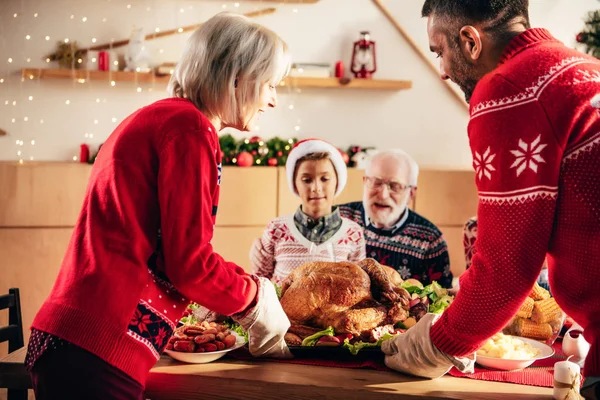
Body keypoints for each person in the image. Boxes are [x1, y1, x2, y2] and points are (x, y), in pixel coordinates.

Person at [26, 12, 292, 399]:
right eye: (269, 84)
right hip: (99, 349)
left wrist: (247, 288)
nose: (272, 99)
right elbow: (190, 266)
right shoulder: (191, 128)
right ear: (237, 77)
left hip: (73, 339)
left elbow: (170, 252)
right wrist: (255, 299)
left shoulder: (159, 117)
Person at [382, 2, 600, 396]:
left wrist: (434, 346)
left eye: (439, 51)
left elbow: (506, 269)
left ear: (469, 41)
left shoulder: (509, 88)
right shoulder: (583, 68)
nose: (443, 71)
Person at [251, 139, 366, 283]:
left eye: (325, 179)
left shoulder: (353, 233)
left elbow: (359, 286)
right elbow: (261, 283)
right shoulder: (276, 229)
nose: (316, 188)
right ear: (295, 183)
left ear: (337, 181)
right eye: (307, 180)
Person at [339, 150, 453, 288]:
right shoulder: (339, 218)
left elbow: (442, 297)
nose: (383, 195)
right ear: (364, 182)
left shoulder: (430, 240)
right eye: (376, 182)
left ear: (411, 194)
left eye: (395, 186)